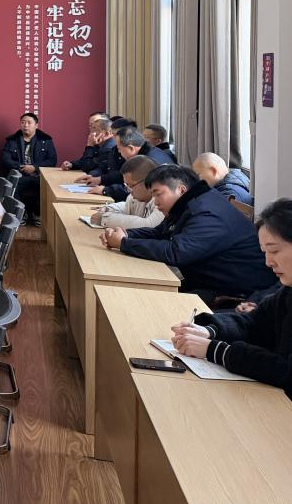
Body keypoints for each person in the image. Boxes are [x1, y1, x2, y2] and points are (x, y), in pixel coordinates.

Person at [100, 164, 271, 303]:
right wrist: (126, 234)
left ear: (181, 189)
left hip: (234, 291)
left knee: (146, 300)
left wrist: (124, 243)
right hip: (206, 278)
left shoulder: (206, 212)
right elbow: (160, 232)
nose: (156, 202)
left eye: (158, 194)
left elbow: (177, 252)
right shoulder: (191, 202)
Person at [170, 199, 292, 392]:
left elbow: (286, 371)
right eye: (265, 252)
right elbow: (253, 323)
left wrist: (214, 349)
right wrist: (210, 331)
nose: (268, 262)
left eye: (274, 251)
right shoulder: (287, 291)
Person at [78, 125, 175, 199]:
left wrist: (105, 190)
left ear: (131, 148)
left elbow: (136, 189)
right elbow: (124, 176)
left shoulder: (146, 161)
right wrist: (101, 179)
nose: (119, 152)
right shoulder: (147, 151)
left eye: (119, 148)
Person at [0, 112, 58, 224]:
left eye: (29, 122)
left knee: (45, 186)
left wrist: (34, 167)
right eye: (23, 122)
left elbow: (52, 160)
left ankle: (38, 214)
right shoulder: (12, 140)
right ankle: (20, 213)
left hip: (38, 175)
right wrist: (21, 167)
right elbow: (5, 159)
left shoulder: (46, 140)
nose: (25, 125)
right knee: (12, 184)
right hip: (19, 173)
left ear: (36, 125)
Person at [89, 156, 163, 229]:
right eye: (127, 185)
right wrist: (108, 208)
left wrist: (105, 219)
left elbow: (149, 225)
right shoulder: (140, 197)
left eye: (130, 185)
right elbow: (127, 207)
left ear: (147, 182)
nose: (129, 191)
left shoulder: (163, 198)